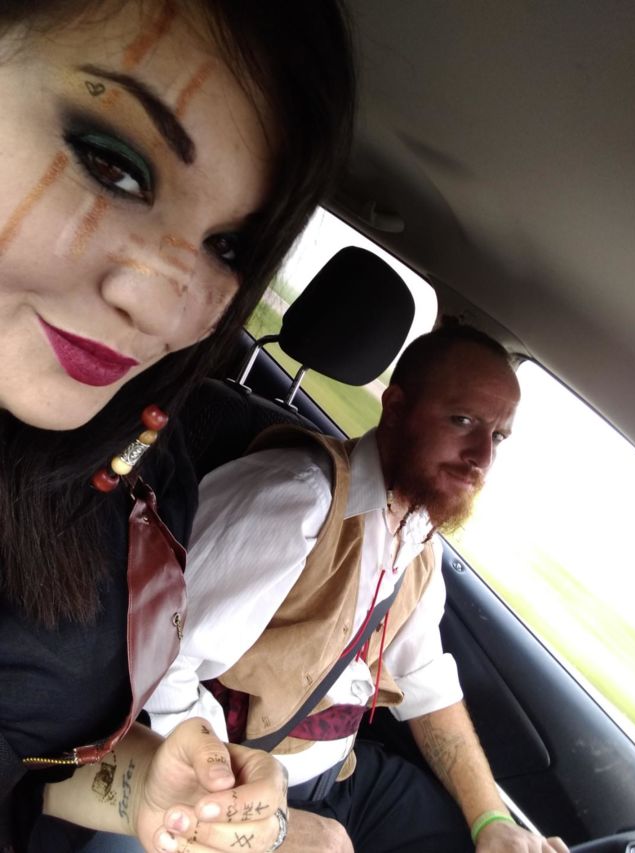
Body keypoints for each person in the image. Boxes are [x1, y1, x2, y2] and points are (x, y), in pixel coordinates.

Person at [0, 1, 354, 851]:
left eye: (229, 247)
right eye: (112, 165)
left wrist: (148, 794)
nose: (167, 309)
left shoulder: (146, 478)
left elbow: (28, 756)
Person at [146, 325, 572, 853]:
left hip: (343, 779)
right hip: (236, 780)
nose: (482, 457)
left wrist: (492, 822)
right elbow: (160, 664)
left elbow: (425, 684)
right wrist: (259, 822)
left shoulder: (417, 540)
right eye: (462, 421)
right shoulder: (297, 500)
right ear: (395, 407)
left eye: (498, 436)